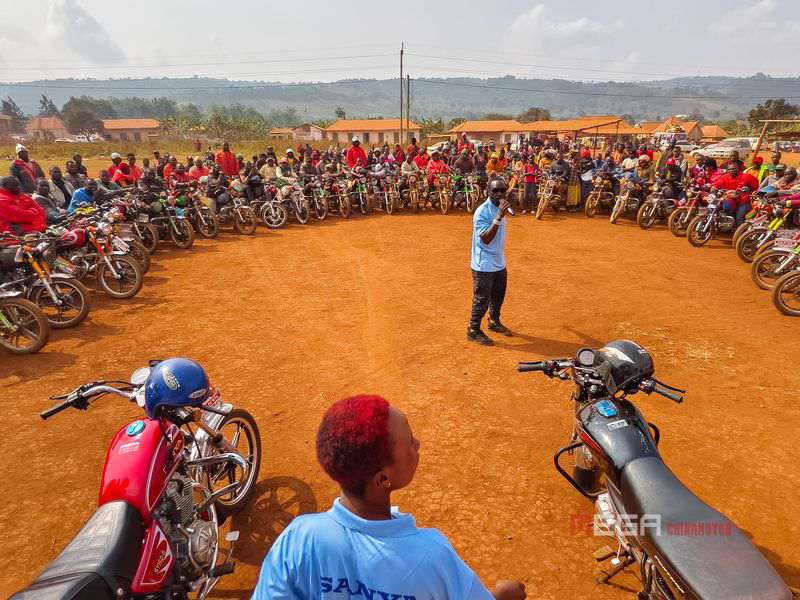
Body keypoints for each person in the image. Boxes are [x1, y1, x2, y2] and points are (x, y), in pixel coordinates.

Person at [253, 394, 526, 600]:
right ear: (382, 479)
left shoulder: (299, 538)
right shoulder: (432, 556)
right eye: (409, 441)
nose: (416, 444)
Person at [468, 178, 512, 346]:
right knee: (482, 298)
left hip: (498, 260)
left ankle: (494, 321)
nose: (499, 194)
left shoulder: (500, 207)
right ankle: (473, 330)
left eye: (502, 190)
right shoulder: (482, 211)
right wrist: (498, 217)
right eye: (495, 191)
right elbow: (485, 239)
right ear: (488, 191)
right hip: (483, 263)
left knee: (498, 295)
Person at [714, 161, 759, 226]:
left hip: (743, 201)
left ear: (738, 169)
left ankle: (741, 234)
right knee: (720, 210)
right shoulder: (725, 177)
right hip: (730, 200)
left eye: (733, 169)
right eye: (729, 169)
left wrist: (750, 190)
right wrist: (713, 190)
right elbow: (716, 185)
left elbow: (756, 186)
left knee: (739, 218)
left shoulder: (746, 177)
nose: (731, 171)